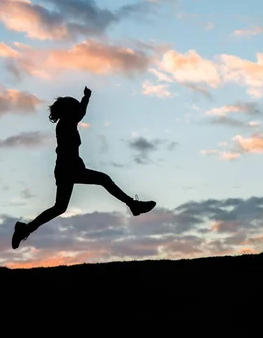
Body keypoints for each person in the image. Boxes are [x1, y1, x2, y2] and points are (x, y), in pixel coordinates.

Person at [11, 86, 156, 249]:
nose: (76, 110)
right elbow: (81, 112)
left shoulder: (65, 123)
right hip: (68, 168)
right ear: (68, 111)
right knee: (103, 179)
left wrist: (84, 99)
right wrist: (86, 98)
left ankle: (25, 229)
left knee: (60, 207)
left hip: (65, 169)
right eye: (73, 108)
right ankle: (133, 205)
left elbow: (79, 113)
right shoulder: (66, 122)